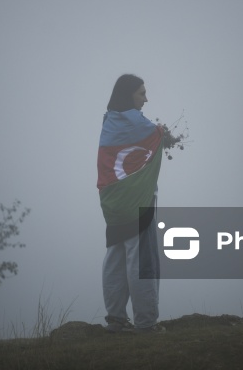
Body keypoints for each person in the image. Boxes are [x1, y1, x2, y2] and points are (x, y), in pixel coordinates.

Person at [97, 74, 165, 333]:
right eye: (141, 93)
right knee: (141, 260)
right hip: (137, 201)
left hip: (112, 201)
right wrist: (164, 134)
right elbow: (157, 135)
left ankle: (115, 319)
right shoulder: (138, 122)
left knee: (115, 258)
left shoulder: (109, 121)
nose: (146, 98)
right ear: (129, 95)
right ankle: (146, 322)